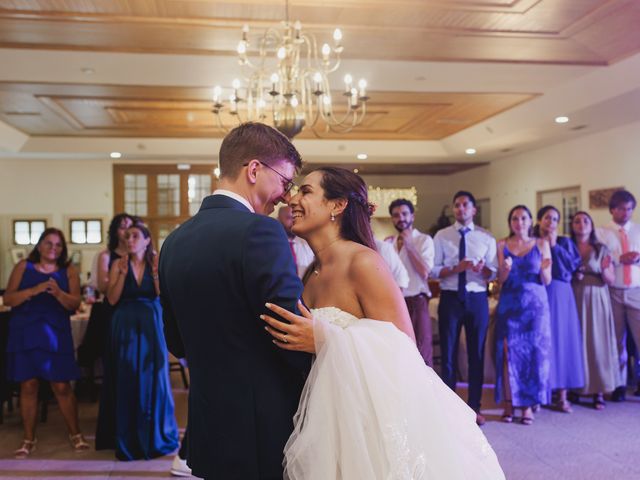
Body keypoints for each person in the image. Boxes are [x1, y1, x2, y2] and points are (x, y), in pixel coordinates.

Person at [261, 167, 505, 480]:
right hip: (333, 413)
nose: (291, 199)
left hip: (375, 417)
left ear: (337, 205)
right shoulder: (311, 273)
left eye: (305, 191)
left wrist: (326, 338)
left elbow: (402, 348)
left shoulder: (363, 261)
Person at [158, 122, 312, 480]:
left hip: (208, 422)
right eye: (285, 182)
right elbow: (290, 332)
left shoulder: (174, 241)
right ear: (254, 169)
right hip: (263, 424)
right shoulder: (261, 231)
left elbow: (176, 341)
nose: (286, 196)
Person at [4, 228, 90, 457]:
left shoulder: (68, 270)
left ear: (63, 249)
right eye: (49, 243)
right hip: (25, 331)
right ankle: (28, 438)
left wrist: (58, 292)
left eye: (58, 245)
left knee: (61, 385)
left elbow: (74, 304)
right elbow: (8, 298)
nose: (53, 248)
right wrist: (35, 289)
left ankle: (76, 433)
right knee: (28, 384)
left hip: (55, 333)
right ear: (39, 245)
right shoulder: (24, 267)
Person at [99, 223, 179, 460]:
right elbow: (112, 299)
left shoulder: (156, 261)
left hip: (151, 324)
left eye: (135, 235)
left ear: (147, 240)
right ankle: (127, 439)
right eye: (126, 236)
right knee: (126, 378)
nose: (129, 239)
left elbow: (161, 294)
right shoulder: (117, 264)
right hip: (124, 325)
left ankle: (155, 436)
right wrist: (122, 274)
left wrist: (155, 272)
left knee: (154, 377)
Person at [432, 191, 497, 426]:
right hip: (450, 297)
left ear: (473, 210)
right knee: (448, 355)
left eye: (465, 205)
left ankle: (475, 407)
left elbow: (495, 272)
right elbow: (433, 271)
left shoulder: (486, 238)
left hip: (477, 297)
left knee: (476, 354)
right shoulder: (441, 236)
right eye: (457, 206)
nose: (460, 209)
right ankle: (450, 409)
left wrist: (483, 270)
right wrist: (457, 268)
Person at [495, 205, 552, 425]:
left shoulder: (541, 244)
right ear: (510, 222)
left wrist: (543, 268)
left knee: (533, 355)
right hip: (510, 303)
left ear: (530, 222)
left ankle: (527, 405)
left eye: (524, 218)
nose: (520, 223)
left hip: (536, 307)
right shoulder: (502, 244)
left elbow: (547, 280)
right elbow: (500, 280)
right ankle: (509, 404)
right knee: (507, 353)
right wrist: (505, 270)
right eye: (515, 219)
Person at [534, 205, 585, 412]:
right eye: (547, 218)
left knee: (562, 341)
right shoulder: (531, 241)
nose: (551, 222)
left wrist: (554, 245)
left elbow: (571, 267)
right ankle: (537, 394)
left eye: (555, 219)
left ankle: (562, 395)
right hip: (539, 291)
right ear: (539, 220)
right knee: (540, 341)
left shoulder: (565, 242)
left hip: (562, 293)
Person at [571, 211, 619, 409]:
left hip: (597, 296)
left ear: (591, 225)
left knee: (596, 341)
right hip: (574, 295)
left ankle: (599, 390)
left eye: (585, 220)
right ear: (572, 225)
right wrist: (575, 275)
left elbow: (611, 279)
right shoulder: (567, 247)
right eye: (577, 221)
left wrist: (603, 270)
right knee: (576, 341)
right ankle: (576, 387)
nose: (581, 224)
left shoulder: (601, 248)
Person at [597, 189, 640, 402]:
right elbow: (599, 260)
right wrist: (619, 258)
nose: (626, 212)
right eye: (622, 208)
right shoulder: (602, 232)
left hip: (636, 291)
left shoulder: (638, 231)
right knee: (617, 340)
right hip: (613, 291)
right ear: (612, 209)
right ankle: (619, 384)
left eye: (630, 208)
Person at [387, 198, 435, 366]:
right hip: (394, 302)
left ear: (412, 216)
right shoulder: (389, 244)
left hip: (417, 301)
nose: (401, 218)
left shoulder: (424, 240)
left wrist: (409, 245)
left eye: (405, 214)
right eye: (396, 215)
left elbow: (425, 272)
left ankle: (427, 392)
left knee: (422, 352)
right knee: (398, 351)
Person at [277, 205, 315, 278]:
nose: (293, 221)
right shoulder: (272, 244)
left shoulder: (308, 243)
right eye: (289, 218)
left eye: (294, 218)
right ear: (279, 219)